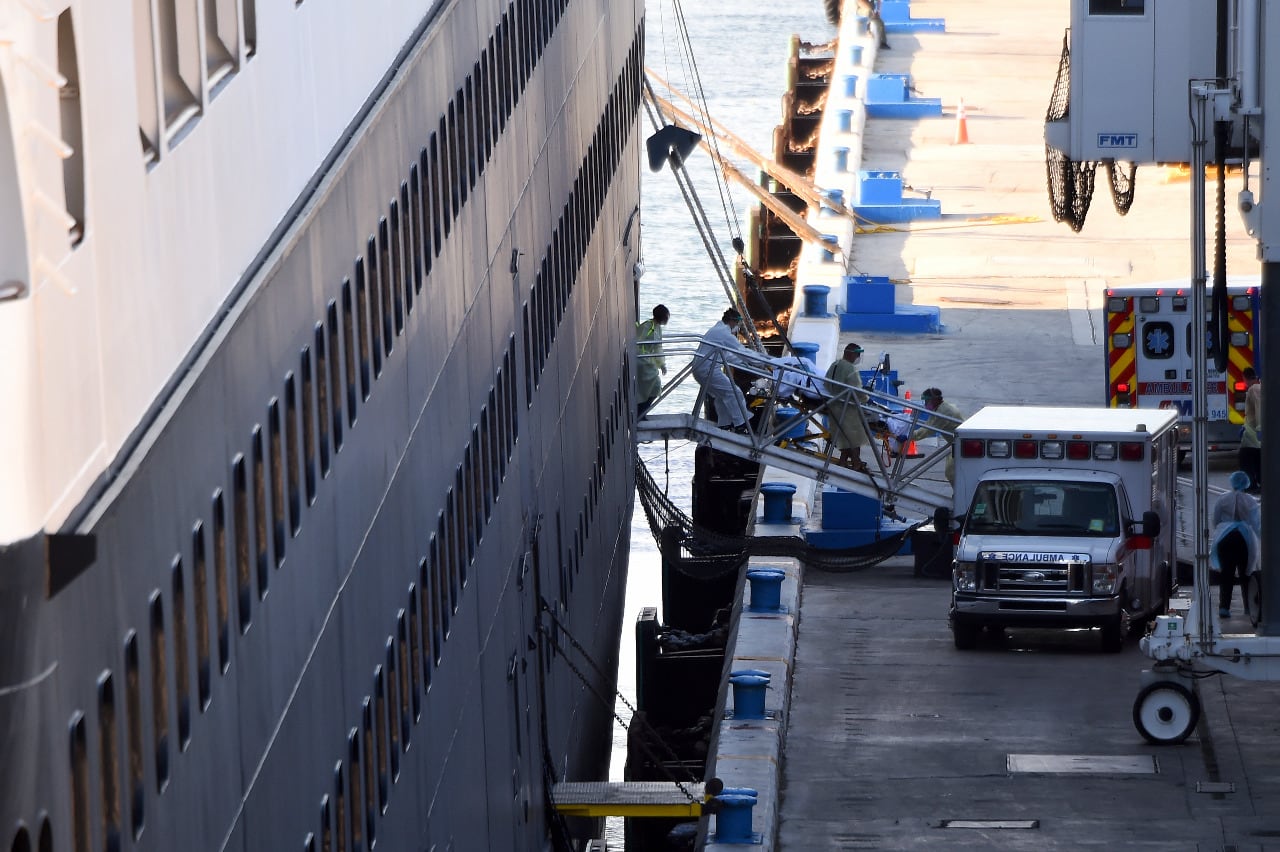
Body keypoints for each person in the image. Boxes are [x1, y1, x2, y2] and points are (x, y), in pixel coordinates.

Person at [691, 307, 753, 434]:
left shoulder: (716, 330)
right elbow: (741, 351)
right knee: (735, 392)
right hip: (708, 370)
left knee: (722, 396)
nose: (737, 327)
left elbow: (727, 356)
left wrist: (745, 364)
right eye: (737, 324)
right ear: (731, 321)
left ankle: (724, 424)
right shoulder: (724, 333)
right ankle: (740, 425)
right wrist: (760, 361)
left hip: (700, 369)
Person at [1211, 470, 1261, 619]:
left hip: (1225, 536)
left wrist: (1223, 527)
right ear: (1246, 483)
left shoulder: (1222, 499)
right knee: (1246, 573)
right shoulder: (1251, 501)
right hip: (1244, 538)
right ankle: (1249, 607)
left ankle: (1224, 608)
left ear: (1232, 483)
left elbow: (1216, 519)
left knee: (1226, 574)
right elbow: (1256, 523)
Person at [823, 342, 872, 472]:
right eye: (857, 355)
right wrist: (867, 398)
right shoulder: (850, 369)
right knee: (855, 438)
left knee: (843, 438)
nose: (858, 358)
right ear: (850, 354)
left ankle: (843, 461)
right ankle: (856, 463)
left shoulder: (834, 365)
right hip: (847, 408)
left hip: (833, 406)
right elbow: (857, 390)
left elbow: (826, 383)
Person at [911, 387, 963, 485]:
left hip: (961, 444)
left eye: (926, 401)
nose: (925, 404)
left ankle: (961, 496)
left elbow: (928, 430)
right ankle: (960, 494)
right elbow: (929, 423)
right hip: (954, 443)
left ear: (933, 400)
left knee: (952, 472)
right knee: (951, 471)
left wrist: (910, 436)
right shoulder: (940, 408)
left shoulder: (944, 412)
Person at [635, 304, 670, 415]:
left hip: (648, 362)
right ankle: (640, 412)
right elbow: (637, 341)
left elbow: (658, 347)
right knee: (652, 387)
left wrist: (662, 365)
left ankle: (642, 411)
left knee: (654, 388)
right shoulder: (647, 326)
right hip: (642, 362)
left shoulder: (657, 328)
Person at [1238, 367, 1262, 493]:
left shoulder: (1254, 389)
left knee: (1245, 458)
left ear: (1244, 378)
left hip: (1252, 434)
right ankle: (1257, 482)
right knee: (1257, 459)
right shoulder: (1257, 388)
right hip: (1252, 432)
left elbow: (1259, 408)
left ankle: (1251, 485)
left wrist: (1260, 428)